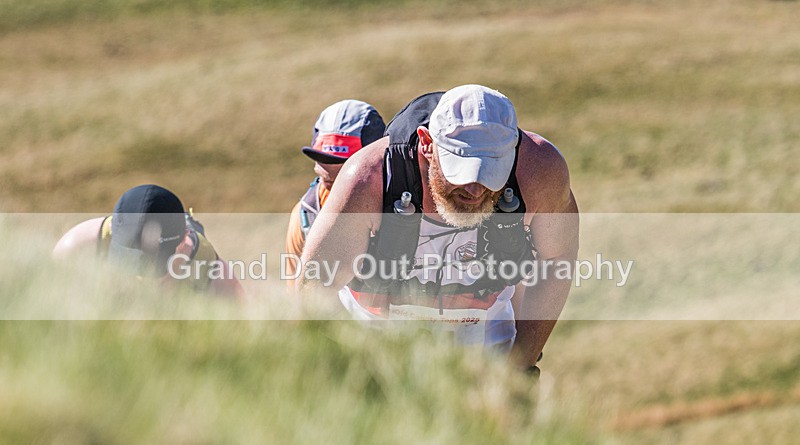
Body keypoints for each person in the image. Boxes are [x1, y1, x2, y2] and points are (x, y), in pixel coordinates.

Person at [298, 85, 579, 369]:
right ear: (427, 144)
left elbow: (558, 260)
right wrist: (344, 368)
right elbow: (314, 287)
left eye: (491, 173)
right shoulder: (367, 180)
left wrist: (521, 365)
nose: (475, 189)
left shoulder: (540, 172)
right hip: (375, 340)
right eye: (461, 171)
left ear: (513, 150)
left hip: (485, 341)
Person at [53, 184, 243, 298]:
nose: (140, 276)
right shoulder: (75, 248)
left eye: (154, 262)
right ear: (113, 230)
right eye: (129, 260)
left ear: (183, 241)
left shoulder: (211, 271)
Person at [284, 99, 386, 282]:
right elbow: (298, 293)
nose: (335, 191)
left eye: (344, 179)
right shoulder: (306, 215)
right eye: (326, 179)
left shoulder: (405, 207)